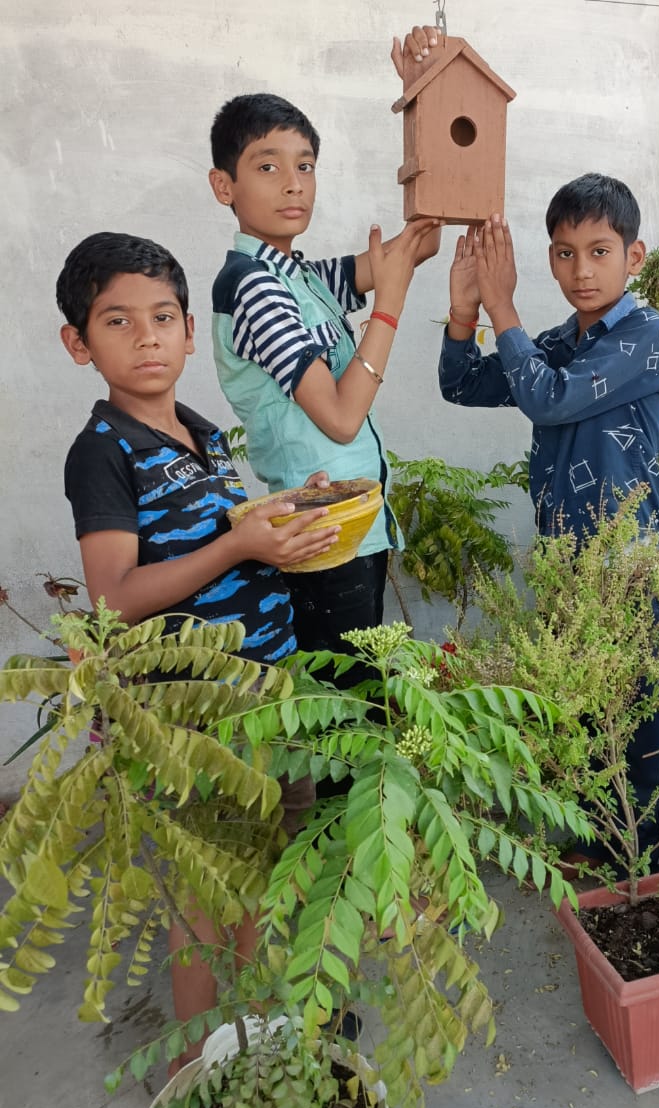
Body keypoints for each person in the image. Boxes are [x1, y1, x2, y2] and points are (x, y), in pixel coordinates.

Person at [57, 231, 335, 1052]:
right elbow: (114, 598)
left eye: (162, 317)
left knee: (267, 874)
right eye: (118, 321)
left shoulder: (200, 431)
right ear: (79, 343)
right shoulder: (103, 453)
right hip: (192, 718)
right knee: (206, 895)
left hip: (268, 697)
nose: (146, 337)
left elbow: (230, 531)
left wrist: (289, 512)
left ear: (187, 332)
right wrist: (239, 544)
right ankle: (195, 1065)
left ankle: (254, 1040)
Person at [437, 173, 659, 871]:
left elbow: (546, 398)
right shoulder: (565, 339)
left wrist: (501, 304)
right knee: (581, 699)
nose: (582, 271)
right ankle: (593, 838)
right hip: (566, 551)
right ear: (550, 258)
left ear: (634, 257)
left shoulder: (643, 334)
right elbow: (464, 384)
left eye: (600, 252)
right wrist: (464, 311)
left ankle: (637, 856)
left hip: (626, 556)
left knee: (635, 706)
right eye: (566, 254)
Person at [207, 39, 441, 676]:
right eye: (268, 166)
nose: (293, 183)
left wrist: (423, 98)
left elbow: (418, 243)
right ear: (224, 185)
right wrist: (388, 307)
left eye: (306, 166)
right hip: (319, 539)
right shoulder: (252, 285)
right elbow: (339, 418)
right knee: (341, 712)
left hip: (351, 529)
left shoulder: (300, 275)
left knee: (358, 701)